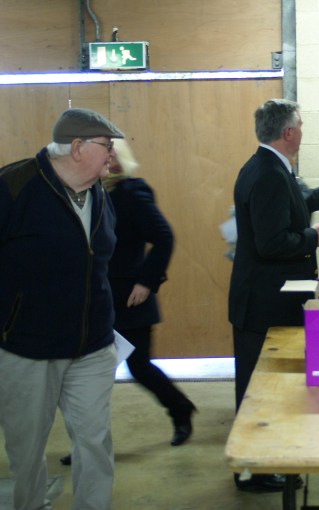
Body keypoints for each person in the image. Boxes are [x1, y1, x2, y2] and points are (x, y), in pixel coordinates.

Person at [0, 108, 124, 510]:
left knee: (95, 441)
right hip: (28, 348)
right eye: (107, 145)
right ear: (77, 147)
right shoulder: (13, 186)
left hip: (92, 347)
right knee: (26, 447)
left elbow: (100, 261)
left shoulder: (100, 193)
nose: (113, 154)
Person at [228, 98, 319, 492]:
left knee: (263, 388)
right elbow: (272, 242)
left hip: (265, 301)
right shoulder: (268, 174)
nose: (302, 131)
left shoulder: (268, 167)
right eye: (300, 125)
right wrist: (314, 238)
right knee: (259, 391)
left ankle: (260, 464)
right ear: (288, 132)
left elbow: (289, 207)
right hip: (264, 306)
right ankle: (253, 472)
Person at [105, 138, 197, 446]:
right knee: (92, 375)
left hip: (129, 298)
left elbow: (163, 236)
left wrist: (146, 281)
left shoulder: (132, 192)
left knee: (139, 366)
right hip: (98, 297)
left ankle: (180, 409)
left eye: (111, 153)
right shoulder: (89, 193)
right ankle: (89, 443)